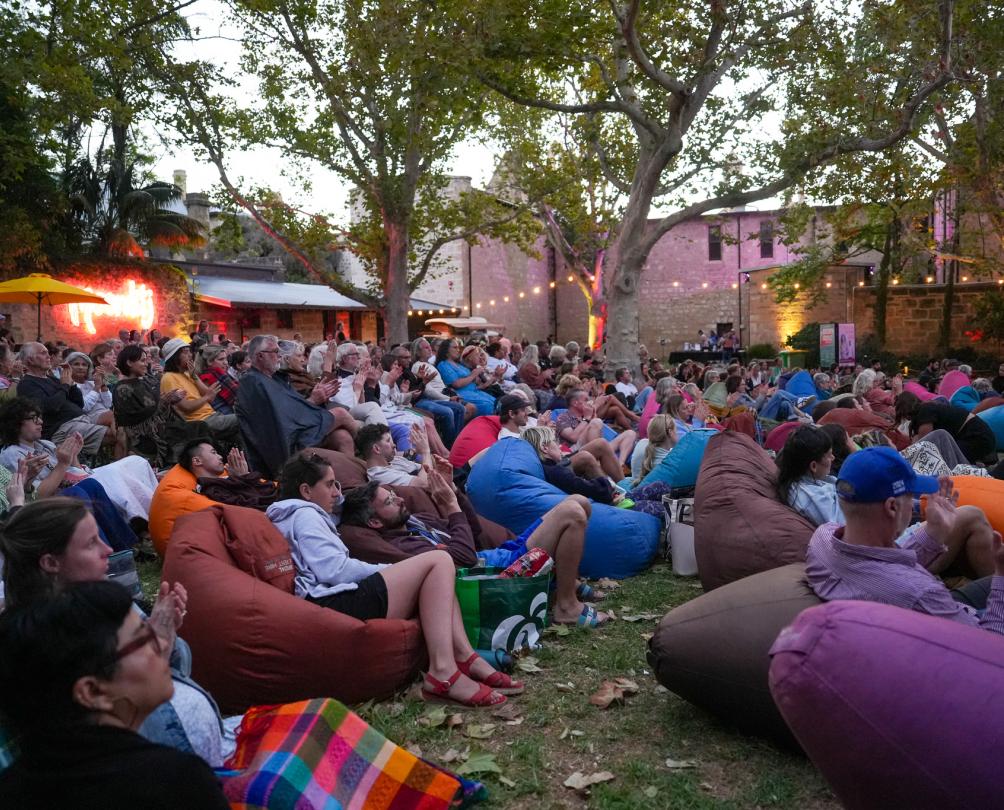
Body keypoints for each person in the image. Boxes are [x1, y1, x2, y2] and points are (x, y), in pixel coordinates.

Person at [266, 454, 520, 707]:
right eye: (330, 484)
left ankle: (466, 657)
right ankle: (444, 671)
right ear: (306, 491)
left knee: (437, 566)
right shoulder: (305, 516)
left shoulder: (305, 514)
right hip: (333, 602)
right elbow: (333, 570)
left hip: (335, 597)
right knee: (438, 561)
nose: (336, 493)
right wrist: (390, 570)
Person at [0, 498, 234, 767]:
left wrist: (164, 641)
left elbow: (175, 667)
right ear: (51, 562)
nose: (108, 549)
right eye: (91, 543)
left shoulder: (110, 603)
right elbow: (93, 738)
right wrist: (157, 645)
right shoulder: (38, 644)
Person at [0, 581, 230, 808]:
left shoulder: (12, 789)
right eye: (143, 639)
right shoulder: (174, 782)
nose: (161, 643)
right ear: (92, 691)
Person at [342, 479, 606, 626]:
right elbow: (465, 559)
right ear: (374, 522)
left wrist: (454, 493)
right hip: (496, 572)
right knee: (572, 514)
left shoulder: (417, 520)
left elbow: (474, 531)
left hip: (499, 554)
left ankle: (565, 584)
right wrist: (452, 508)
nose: (399, 498)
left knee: (577, 500)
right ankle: (566, 606)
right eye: (389, 501)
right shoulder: (404, 547)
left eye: (392, 494)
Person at [805, 448, 1004, 633]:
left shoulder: (821, 539)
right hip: (973, 628)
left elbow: (881, 567)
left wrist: (932, 536)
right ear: (892, 507)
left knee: (971, 514)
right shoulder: (919, 594)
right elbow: (988, 644)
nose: (915, 506)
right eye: (911, 497)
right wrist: (1001, 577)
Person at [0, 397, 159, 527]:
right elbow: (38, 494)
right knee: (112, 474)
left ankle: (157, 508)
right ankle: (142, 520)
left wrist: (73, 454)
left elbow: (76, 471)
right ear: (16, 423)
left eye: (40, 417)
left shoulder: (45, 444)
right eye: (33, 419)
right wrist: (63, 464)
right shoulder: (11, 454)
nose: (40, 422)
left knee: (135, 462)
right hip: (59, 494)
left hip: (78, 479)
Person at [235, 334, 356, 476]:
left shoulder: (276, 379)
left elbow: (291, 407)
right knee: (340, 413)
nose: (279, 355)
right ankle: (371, 445)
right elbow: (278, 419)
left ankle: (353, 482)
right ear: (261, 356)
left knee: (343, 437)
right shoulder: (253, 382)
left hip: (299, 428)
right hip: (287, 442)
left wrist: (313, 399)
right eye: (275, 352)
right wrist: (313, 401)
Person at [112, 345, 206, 466]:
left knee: (201, 427)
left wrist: (170, 399)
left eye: (146, 360)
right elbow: (134, 419)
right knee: (199, 429)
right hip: (146, 436)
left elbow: (157, 404)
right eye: (142, 360)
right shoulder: (122, 388)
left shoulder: (145, 381)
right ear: (129, 362)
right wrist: (164, 401)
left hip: (162, 427)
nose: (146, 364)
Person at [16, 341, 107, 458]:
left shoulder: (51, 379)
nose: (49, 356)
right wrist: (65, 386)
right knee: (115, 434)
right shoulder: (27, 384)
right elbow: (50, 407)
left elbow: (79, 403)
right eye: (43, 353)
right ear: (30, 360)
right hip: (62, 429)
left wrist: (71, 381)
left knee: (119, 427)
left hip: (80, 420)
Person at [159, 338, 240, 447]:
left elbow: (210, 397)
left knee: (241, 437)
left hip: (213, 416)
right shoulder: (169, 377)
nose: (190, 355)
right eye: (185, 352)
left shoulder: (188, 374)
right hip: (201, 422)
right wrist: (206, 397)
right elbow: (186, 407)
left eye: (189, 351)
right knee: (246, 416)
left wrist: (195, 376)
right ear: (175, 357)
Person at [896, 391, 997, 466]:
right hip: (977, 434)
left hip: (976, 436)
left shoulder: (925, 411)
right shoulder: (928, 408)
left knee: (951, 461)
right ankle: (976, 463)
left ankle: (975, 468)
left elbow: (924, 443)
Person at [777, 425, 841, 527]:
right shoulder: (813, 499)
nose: (833, 458)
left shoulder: (797, 479)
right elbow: (842, 524)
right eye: (829, 455)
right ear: (814, 466)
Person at [554, 390, 636, 466]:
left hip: (599, 445)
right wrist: (587, 418)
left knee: (630, 434)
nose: (589, 402)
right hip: (576, 452)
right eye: (586, 400)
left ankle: (620, 465)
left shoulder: (587, 414)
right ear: (575, 403)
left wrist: (591, 415)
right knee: (596, 422)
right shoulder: (563, 417)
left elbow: (598, 433)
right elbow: (573, 437)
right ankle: (598, 464)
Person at [409, 338, 469, 440]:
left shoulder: (429, 364)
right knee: (449, 411)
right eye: (426, 347)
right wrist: (447, 399)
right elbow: (427, 390)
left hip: (441, 395)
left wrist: (450, 394)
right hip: (428, 399)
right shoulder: (418, 366)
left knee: (461, 408)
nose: (430, 349)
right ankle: (450, 444)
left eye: (429, 347)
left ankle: (457, 441)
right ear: (418, 352)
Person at [435, 339, 498, 416]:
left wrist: (492, 377)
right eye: (455, 347)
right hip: (461, 394)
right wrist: (473, 375)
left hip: (475, 392)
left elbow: (474, 383)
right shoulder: (443, 365)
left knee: (496, 403)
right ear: (446, 350)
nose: (458, 350)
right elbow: (456, 384)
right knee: (488, 405)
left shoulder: (459, 365)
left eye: (458, 347)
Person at [630, 414, 677, 485]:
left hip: (634, 489)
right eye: (676, 430)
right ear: (670, 432)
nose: (677, 434)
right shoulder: (669, 462)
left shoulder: (641, 444)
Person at [196, 345, 239, 414]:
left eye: (226, 359)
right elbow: (238, 395)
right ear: (209, 362)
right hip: (223, 415)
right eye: (221, 359)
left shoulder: (217, 373)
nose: (226, 362)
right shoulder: (209, 376)